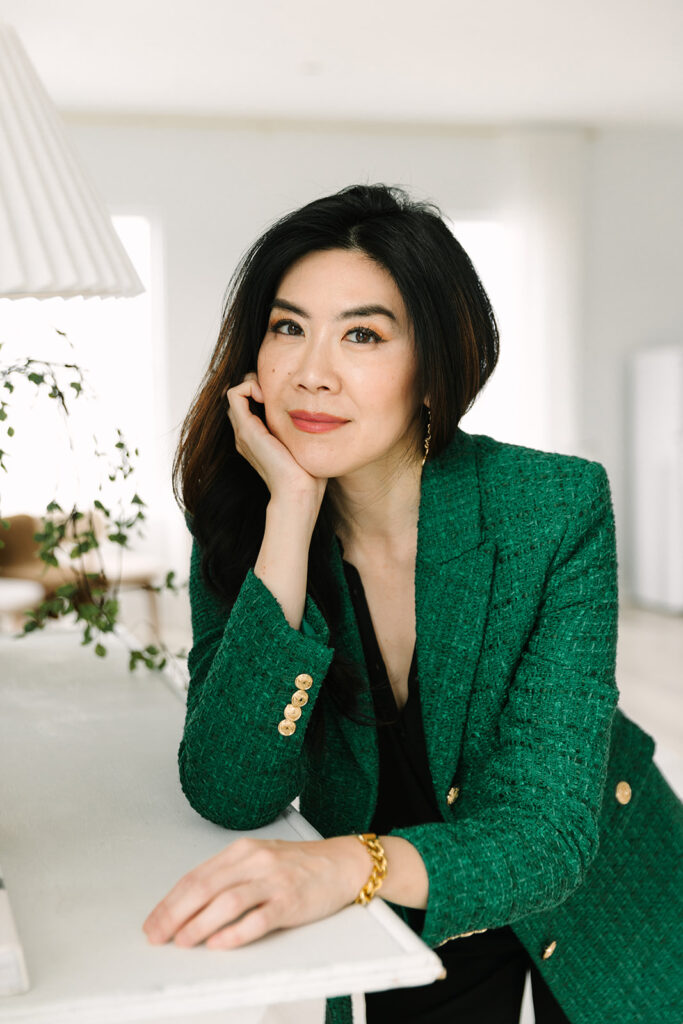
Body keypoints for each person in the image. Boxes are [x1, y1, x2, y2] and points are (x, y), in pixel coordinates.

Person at [143, 184, 683, 1024]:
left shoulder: (551, 508)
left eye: (361, 334)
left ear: (433, 368)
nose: (311, 373)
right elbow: (227, 788)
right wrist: (290, 512)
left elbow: (545, 836)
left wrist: (341, 866)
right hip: (403, 898)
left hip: (595, 889)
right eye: (288, 327)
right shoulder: (240, 520)